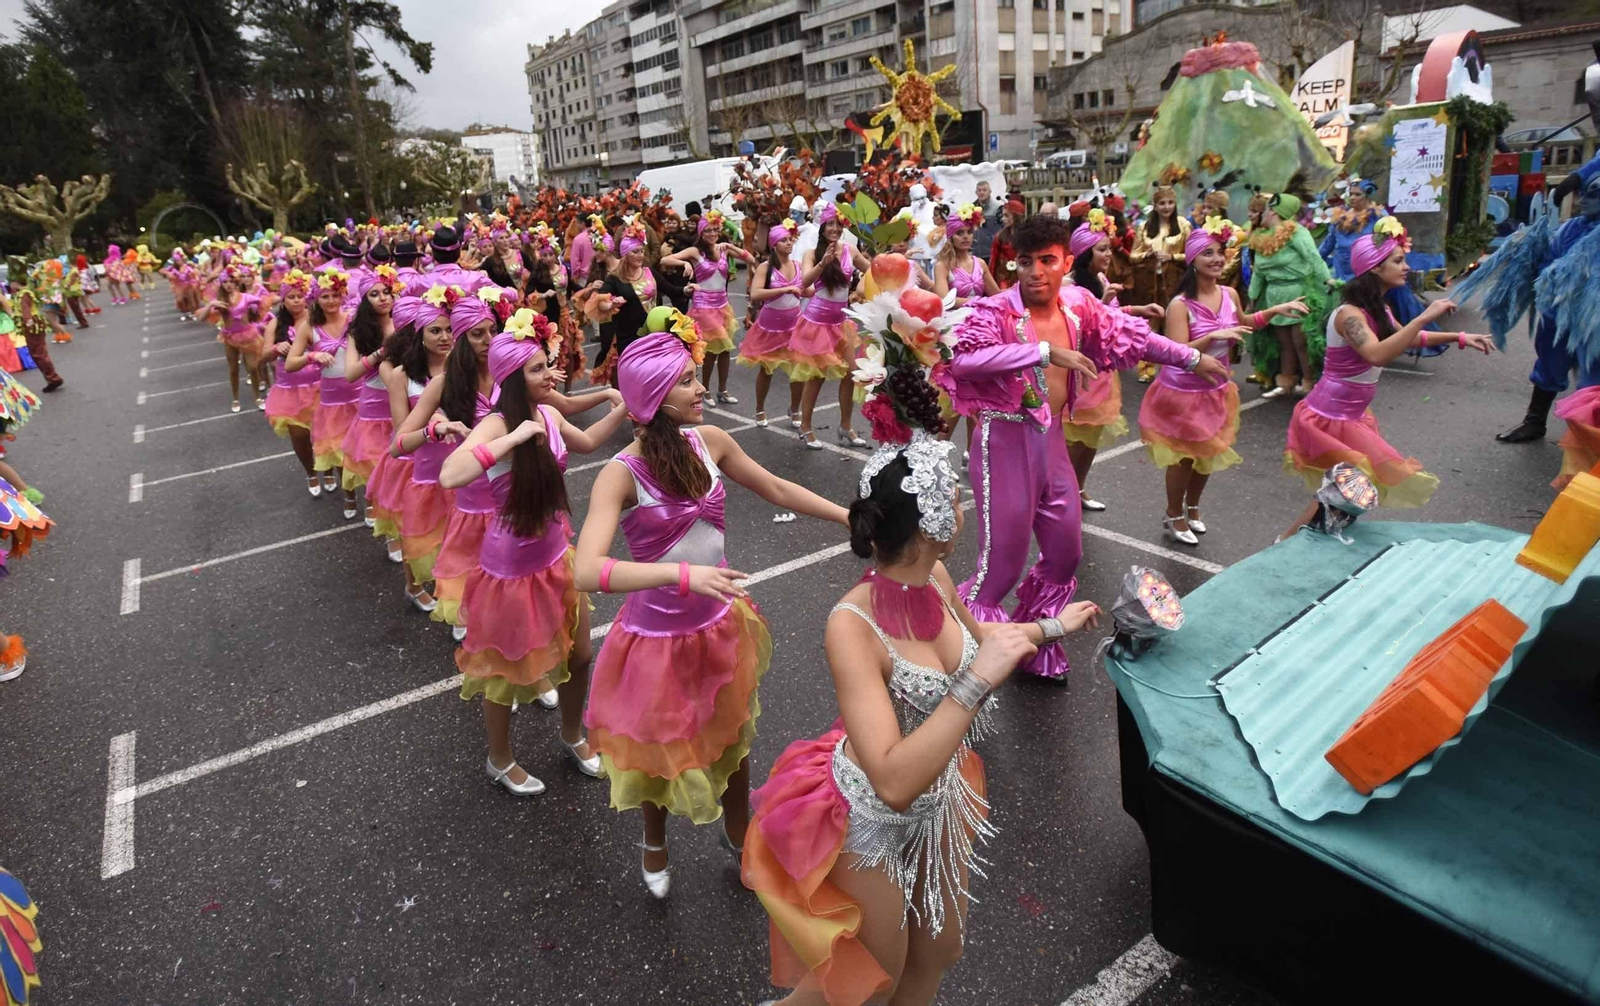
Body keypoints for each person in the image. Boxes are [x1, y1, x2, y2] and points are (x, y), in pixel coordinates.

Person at [742, 432, 1101, 1006]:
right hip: (871, 818)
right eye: (955, 502)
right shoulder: (851, 625)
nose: (963, 512)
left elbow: (984, 642)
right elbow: (892, 781)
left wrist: (1053, 627)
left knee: (938, 952)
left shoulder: (935, 578)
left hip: (944, 797)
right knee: (872, 979)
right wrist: (976, 681)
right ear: (931, 525)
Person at [573, 324, 848, 898]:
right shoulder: (620, 473)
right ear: (655, 395)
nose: (702, 389)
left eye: (696, 377)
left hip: (719, 623)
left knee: (732, 727)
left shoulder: (711, 441)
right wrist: (681, 575)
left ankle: (738, 827)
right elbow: (587, 569)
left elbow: (776, 487)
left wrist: (849, 516)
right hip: (655, 638)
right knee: (657, 750)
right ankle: (654, 842)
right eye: (687, 381)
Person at [936, 213, 1229, 681]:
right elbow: (964, 362)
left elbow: (1135, 337)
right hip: (1004, 445)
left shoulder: (1078, 304)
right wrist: (1043, 352)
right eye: (1025, 262)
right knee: (1000, 570)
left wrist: (1192, 357)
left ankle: (1034, 644)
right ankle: (963, 662)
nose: (1035, 272)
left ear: (1067, 262)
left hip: (1050, 442)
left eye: (1047, 261)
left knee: (1065, 553)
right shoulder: (994, 311)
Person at [439, 310, 632, 795]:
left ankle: (572, 735)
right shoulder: (495, 424)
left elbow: (587, 441)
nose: (552, 375)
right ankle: (499, 759)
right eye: (539, 369)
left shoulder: (548, 413)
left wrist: (622, 406)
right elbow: (450, 474)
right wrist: (512, 437)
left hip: (556, 556)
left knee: (580, 655)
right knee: (505, 673)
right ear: (511, 377)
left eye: (548, 364)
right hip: (510, 570)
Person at [1285, 221, 1493, 507]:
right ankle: (1301, 530)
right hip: (1330, 417)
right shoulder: (1350, 315)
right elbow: (1376, 354)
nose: (1406, 267)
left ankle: (1318, 527)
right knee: (1347, 494)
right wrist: (1424, 316)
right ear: (1374, 268)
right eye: (1398, 261)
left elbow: (1408, 338)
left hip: (1352, 415)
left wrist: (1459, 336)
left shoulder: (1378, 309)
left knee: (1347, 497)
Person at [1141, 220, 1306, 544]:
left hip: (1216, 388)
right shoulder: (1180, 305)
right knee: (1184, 457)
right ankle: (1173, 514)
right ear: (1192, 260)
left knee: (1208, 453)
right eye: (1208, 254)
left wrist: (1276, 309)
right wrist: (1213, 336)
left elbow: (1245, 323)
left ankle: (1193, 507)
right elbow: (1176, 351)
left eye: (1220, 252)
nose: (1217, 259)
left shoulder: (1229, 293)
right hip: (1183, 391)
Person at [1062, 210, 1164, 511]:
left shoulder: (1101, 278)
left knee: (1092, 439)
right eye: (1102, 249)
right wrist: (1104, 302)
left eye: (1108, 248)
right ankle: (1061, 496)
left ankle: (1079, 488)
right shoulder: (1068, 287)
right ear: (1085, 254)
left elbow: (1114, 316)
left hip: (1103, 372)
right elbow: (1076, 328)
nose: (1109, 254)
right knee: (1073, 442)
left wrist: (1139, 309)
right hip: (1079, 373)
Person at [794, 206, 873, 448]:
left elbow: (873, 270)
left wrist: (891, 261)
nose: (835, 229)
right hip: (818, 324)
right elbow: (804, 281)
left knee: (851, 373)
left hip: (841, 322)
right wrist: (822, 263)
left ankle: (845, 426)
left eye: (838, 225)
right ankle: (806, 426)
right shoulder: (811, 253)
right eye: (830, 224)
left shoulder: (849, 250)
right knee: (816, 377)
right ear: (822, 227)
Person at [660, 209, 756, 405]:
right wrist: (684, 264)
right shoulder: (696, 252)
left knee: (725, 350)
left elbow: (751, 259)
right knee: (711, 351)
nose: (712, 234)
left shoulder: (723, 249)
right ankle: (705, 390)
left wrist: (731, 246)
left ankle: (723, 390)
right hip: (703, 307)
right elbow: (665, 259)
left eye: (715, 230)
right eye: (708, 231)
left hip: (723, 306)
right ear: (701, 233)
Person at [286, 269, 360, 516]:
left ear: (343, 295)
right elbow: (290, 363)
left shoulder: (354, 320)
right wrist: (312, 355)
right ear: (316, 299)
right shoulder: (310, 327)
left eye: (335, 295)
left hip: (361, 396)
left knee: (368, 450)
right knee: (338, 450)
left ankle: (372, 502)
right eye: (325, 296)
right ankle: (349, 495)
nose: (331, 301)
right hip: (332, 401)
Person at [1248, 191, 1333, 399]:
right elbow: (1258, 273)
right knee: (1284, 342)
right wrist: (1252, 298)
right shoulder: (1260, 238)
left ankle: (1310, 383)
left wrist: (1328, 280)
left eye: (1267, 209)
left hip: (1298, 292)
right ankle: (1285, 382)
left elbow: (1313, 257)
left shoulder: (1297, 232)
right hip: (1274, 295)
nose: (1263, 213)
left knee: (1301, 342)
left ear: (1274, 211)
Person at [338, 267, 403, 522]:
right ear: (365, 300)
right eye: (374, 294)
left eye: (386, 292)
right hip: (375, 405)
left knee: (401, 461)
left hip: (406, 398)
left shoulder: (405, 321)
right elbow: (350, 374)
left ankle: (393, 509)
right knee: (376, 461)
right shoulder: (358, 332)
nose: (383, 298)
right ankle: (374, 503)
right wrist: (377, 355)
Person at [738, 224, 807, 429]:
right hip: (770, 327)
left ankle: (794, 409)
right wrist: (786, 289)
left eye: (790, 239)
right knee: (767, 370)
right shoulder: (765, 267)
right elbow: (756, 293)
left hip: (794, 325)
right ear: (774, 245)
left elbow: (808, 289)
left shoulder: (798, 265)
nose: (789, 243)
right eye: (784, 240)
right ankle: (760, 409)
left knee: (799, 370)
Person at [261, 270, 321, 495]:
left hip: (319, 385)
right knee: (299, 435)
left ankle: (327, 469)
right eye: (291, 297)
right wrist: (276, 348)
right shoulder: (276, 323)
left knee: (324, 433)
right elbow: (263, 355)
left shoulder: (317, 318)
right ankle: (311, 472)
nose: (296, 300)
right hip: (290, 390)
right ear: (283, 300)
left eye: (300, 296)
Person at [202, 266, 270, 413]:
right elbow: (201, 317)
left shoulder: (245, 297)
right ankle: (235, 398)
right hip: (230, 337)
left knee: (253, 367)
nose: (228, 284)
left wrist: (259, 316)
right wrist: (211, 304)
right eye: (225, 281)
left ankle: (257, 397)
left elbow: (263, 301)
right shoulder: (220, 301)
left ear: (236, 282)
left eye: (231, 281)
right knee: (233, 369)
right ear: (221, 283)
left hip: (248, 335)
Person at [988, 198, 1025, 290]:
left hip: (1023, 276)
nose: (1003, 219)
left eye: (1006, 215)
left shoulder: (1026, 235)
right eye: (1003, 215)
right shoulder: (1000, 236)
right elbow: (993, 261)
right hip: (1004, 278)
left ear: (1016, 216)